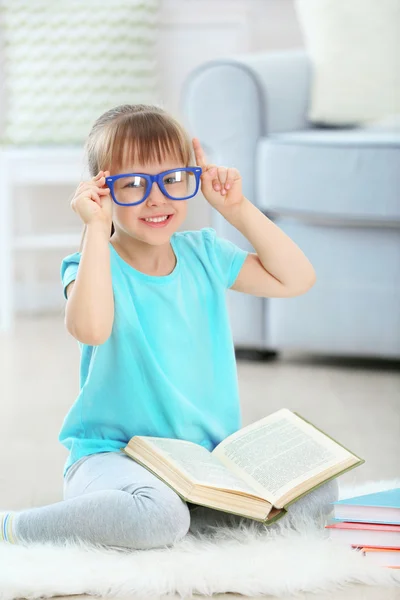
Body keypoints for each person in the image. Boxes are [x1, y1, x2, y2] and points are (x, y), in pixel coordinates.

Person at [0, 104, 337, 549]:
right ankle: (15, 528)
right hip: (115, 458)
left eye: (173, 179)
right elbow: (91, 329)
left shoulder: (205, 253)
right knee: (154, 513)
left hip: (203, 464)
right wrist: (95, 231)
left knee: (319, 490)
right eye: (134, 184)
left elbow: (297, 278)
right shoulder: (91, 266)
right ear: (101, 191)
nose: (156, 198)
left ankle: (177, 525)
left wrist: (236, 209)